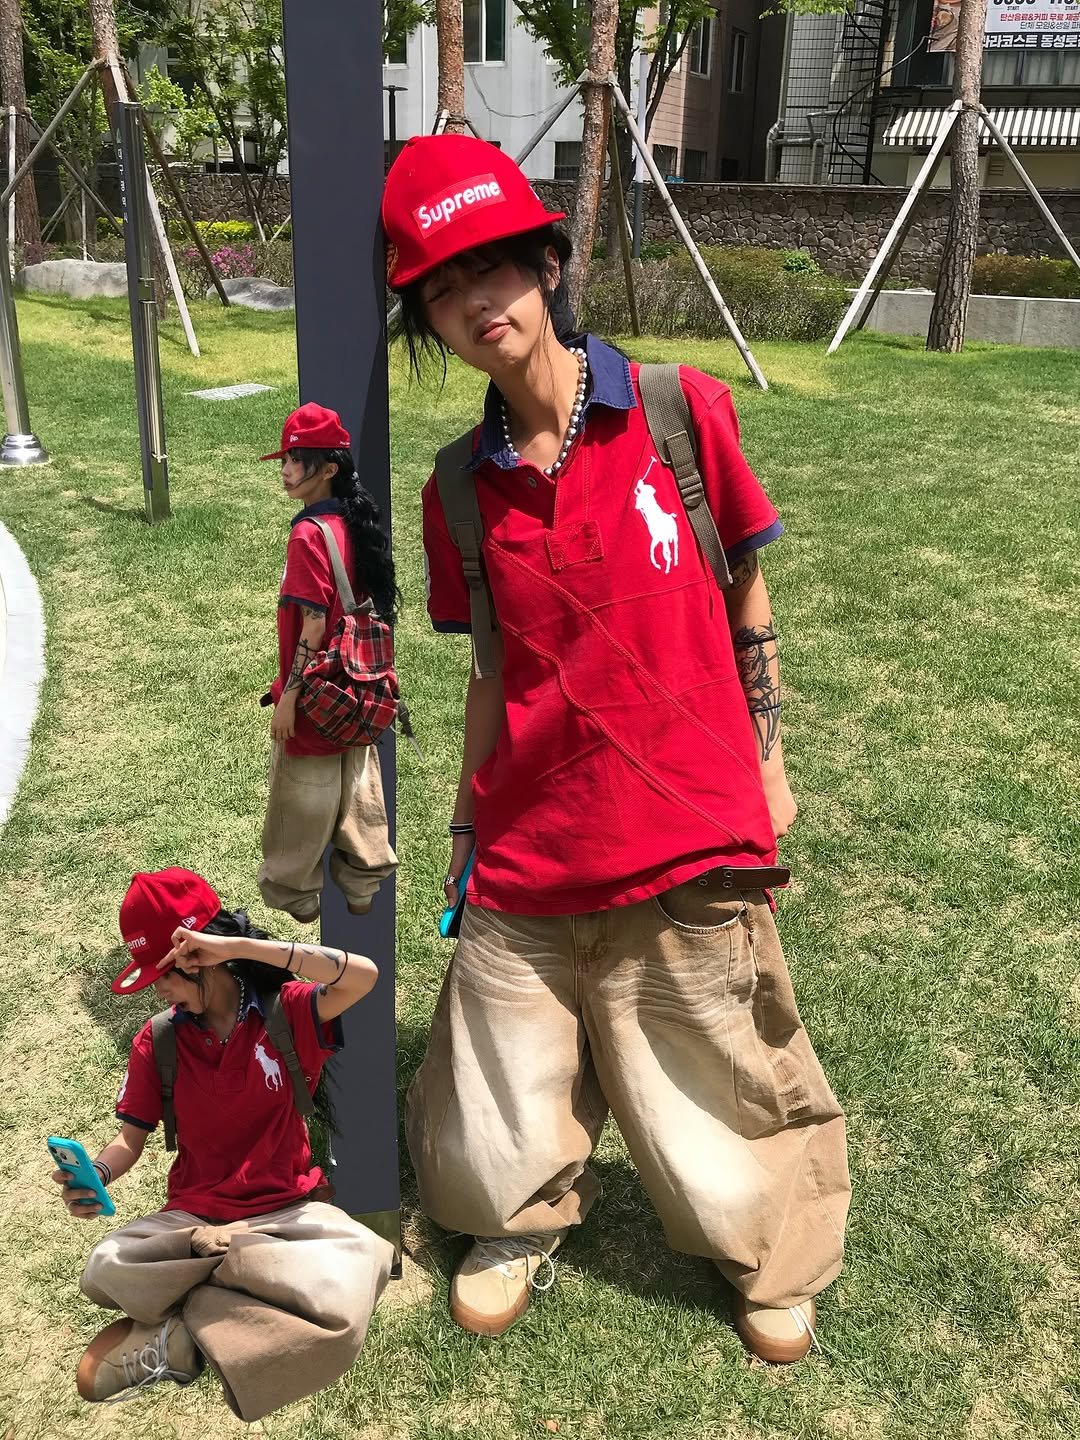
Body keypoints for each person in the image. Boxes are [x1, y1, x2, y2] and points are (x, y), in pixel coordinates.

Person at [382, 134, 851, 1363]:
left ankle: (771, 1252)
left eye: (493, 266)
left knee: (716, 1075)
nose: (477, 301)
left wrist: (771, 755)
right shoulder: (456, 488)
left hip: (684, 816)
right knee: (493, 1082)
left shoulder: (676, 412)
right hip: (531, 831)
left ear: (545, 263)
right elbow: (491, 669)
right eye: (440, 287)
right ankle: (517, 1221)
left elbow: (746, 594)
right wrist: (466, 829)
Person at [54, 867, 395, 1418]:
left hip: (287, 1214)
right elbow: (129, 1142)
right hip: (192, 1224)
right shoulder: (158, 1040)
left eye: (164, 974)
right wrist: (94, 1173)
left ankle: (180, 1334)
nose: (159, 990)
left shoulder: (287, 1014)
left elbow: (363, 974)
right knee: (105, 1263)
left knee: (353, 1286)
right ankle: (235, 1297)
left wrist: (234, 944)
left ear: (200, 956)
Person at [257, 402, 398, 922]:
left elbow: (312, 628)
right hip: (360, 686)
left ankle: (298, 893)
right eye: (286, 458)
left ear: (329, 467)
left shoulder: (307, 535)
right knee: (360, 783)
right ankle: (362, 882)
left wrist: (286, 698)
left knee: (304, 797)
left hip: (318, 689)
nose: (287, 468)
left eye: (297, 458)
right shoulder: (359, 522)